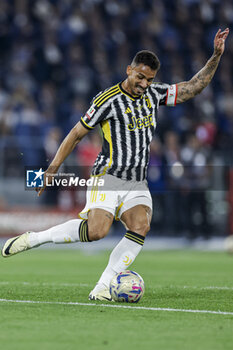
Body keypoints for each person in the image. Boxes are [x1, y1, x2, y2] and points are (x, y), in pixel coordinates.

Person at [2, 28, 229, 301]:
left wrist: (215, 56)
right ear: (129, 70)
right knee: (97, 231)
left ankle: (103, 287)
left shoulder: (154, 95)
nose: (144, 84)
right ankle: (34, 239)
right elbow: (75, 134)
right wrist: (52, 170)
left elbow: (193, 87)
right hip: (108, 175)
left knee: (141, 225)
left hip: (137, 180)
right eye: (140, 77)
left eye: (149, 79)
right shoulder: (107, 100)